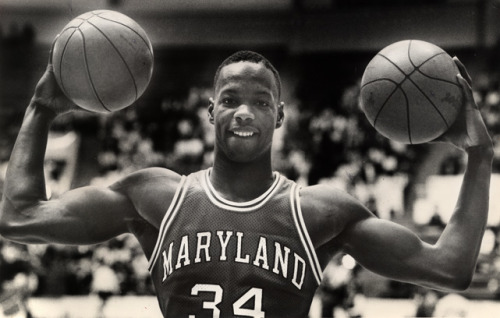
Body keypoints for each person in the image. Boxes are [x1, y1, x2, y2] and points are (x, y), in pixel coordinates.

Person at [0, 47, 493, 318]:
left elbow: (450, 269)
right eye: (231, 98)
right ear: (210, 111)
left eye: (260, 101)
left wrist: (479, 154)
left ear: (279, 116)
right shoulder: (155, 196)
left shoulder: (319, 212)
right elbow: (19, 217)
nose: (243, 111)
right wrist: (42, 109)